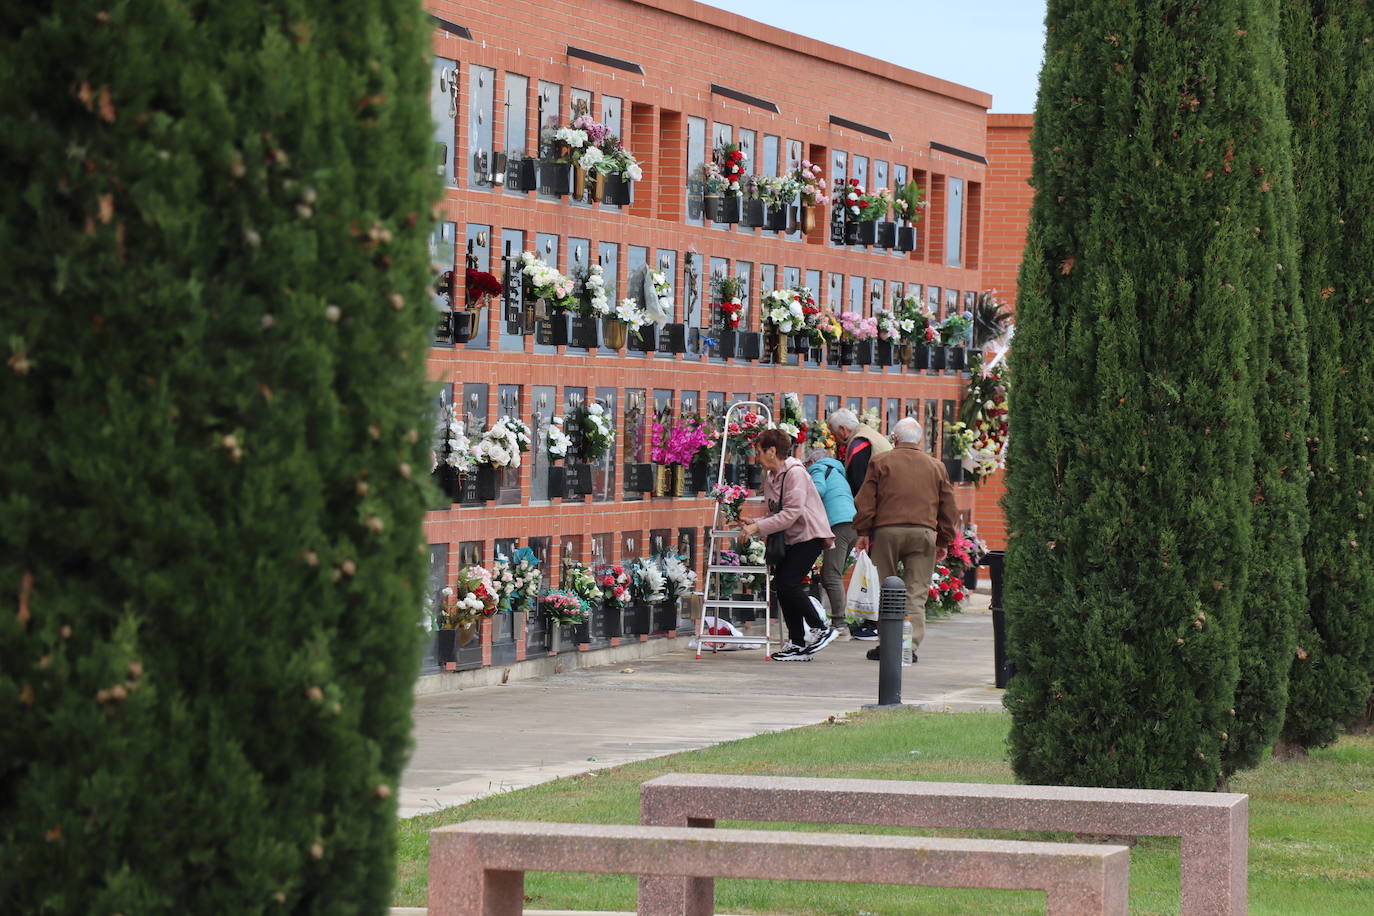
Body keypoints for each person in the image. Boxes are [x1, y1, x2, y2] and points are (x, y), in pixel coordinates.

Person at [852, 417, 959, 663]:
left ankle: (887, 645)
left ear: (895, 438)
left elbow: (866, 500)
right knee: (915, 593)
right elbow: (948, 507)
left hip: (887, 532)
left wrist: (863, 532)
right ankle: (908, 647)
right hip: (922, 534)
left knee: (884, 590)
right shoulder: (936, 466)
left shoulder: (880, 461)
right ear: (920, 440)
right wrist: (943, 540)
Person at [737, 429, 839, 661]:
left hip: (809, 536)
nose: (757, 457)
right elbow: (778, 512)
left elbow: (792, 513)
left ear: (772, 451)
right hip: (792, 537)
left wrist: (757, 528)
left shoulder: (795, 473)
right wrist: (755, 521)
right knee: (782, 587)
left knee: (788, 583)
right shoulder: (773, 475)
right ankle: (796, 643)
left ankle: (820, 628)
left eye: (759, 451)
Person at [825, 407, 892, 640]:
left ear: (843, 429)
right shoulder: (871, 436)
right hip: (888, 508)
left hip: (878, 513)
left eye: (834, 434)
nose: (835, 439)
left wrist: (861, 521)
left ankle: (875, 623)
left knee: (875, 570)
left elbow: (859, 485)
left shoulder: (859, 445)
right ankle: (875, 621)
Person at [804, 446, 856, 633]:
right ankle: (838, 620)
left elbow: (818, 490)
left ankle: (839, 623)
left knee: (831, 575)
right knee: (833, 573)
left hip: (839, 525)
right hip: (852, 524)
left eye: (806, 464)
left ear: (811, 461)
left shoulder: (818, 468)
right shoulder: (837, 472)